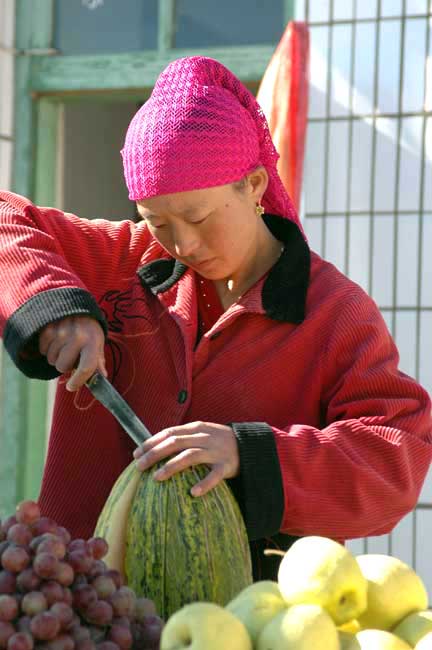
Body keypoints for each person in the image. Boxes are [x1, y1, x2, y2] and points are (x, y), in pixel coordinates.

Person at [1, 56, 431, 581]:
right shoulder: (119, 261)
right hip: (83, 603)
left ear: (252, 185)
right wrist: (55, 305)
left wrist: (251, 454)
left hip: (247, 618)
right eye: (157, 221)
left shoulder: (333, 312)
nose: (184, 244)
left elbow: (396, 455)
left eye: (198, 217)